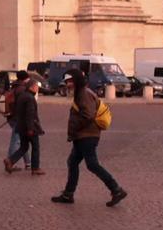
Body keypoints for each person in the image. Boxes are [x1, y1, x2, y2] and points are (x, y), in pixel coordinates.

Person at [51, 69, 127, 207]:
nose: (67, 84)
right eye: (66, 81)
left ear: (76, 81)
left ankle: (116, 189)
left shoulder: (83, 94)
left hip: (87, 136)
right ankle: (68, 194)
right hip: (82, 135)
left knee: (92, 164)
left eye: (69, 81)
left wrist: (75, 128)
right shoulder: (81, 93)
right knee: (72, 162)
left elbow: (88, 115)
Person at [4, 74, 44, 175]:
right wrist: (31, 128)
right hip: (29, 127)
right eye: (36, 87)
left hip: (21, 126)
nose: (37, 89)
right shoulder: (30, 98)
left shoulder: (22, 96)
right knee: (35, 147)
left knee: (24, 147)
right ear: (31, 87)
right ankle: (35, 168)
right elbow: (30, 115)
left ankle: (10, 160)